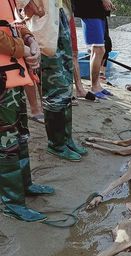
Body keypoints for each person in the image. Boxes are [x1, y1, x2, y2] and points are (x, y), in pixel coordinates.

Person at [1, 0, 54, 222]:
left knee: (21, 135)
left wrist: (31, 41)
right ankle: (12, 202)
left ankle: (25, 185)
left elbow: (17, 25)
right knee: (6, 143)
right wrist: (22, 49)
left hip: (15, 79)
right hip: (3, 84)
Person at [25, 0, 88, 161]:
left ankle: (66, 139)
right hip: (44, 22)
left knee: (66, 85)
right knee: (55, 88)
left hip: (60, 16)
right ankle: (56, 143)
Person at [73, 0, 115, 99]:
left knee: (100, 49)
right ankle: (94, 87)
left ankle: (96, 85)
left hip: (98, 11)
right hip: (90, 9)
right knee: (99, 49)